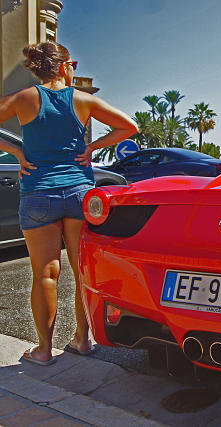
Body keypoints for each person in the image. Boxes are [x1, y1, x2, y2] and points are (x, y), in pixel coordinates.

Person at [0, 41, 138, 365]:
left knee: (45, 273)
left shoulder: (25, 98)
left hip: (38, 193)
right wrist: (93, 147)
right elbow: (129, 126)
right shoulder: (81, 99)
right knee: (82, 272)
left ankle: (44, 351)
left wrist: (18, 153)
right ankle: (82, 339)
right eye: (72, 65)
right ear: (64, 67)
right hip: (78, 191)